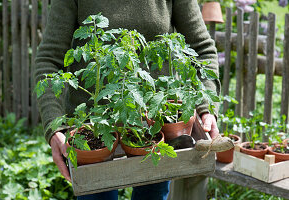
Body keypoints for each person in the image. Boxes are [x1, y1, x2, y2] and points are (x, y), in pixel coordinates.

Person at [35, 0, 224, 199]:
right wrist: (54, 127)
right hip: (93, 131)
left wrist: (206, 108)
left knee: (152, 194)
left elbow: (202, 49)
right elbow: (49, 59)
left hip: (155, 128)